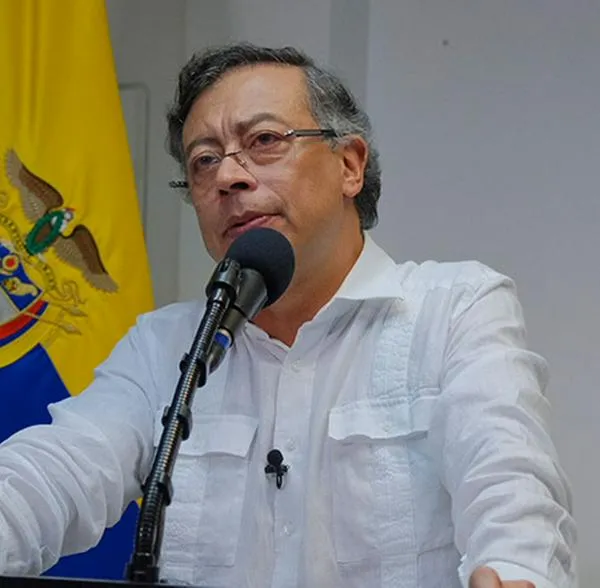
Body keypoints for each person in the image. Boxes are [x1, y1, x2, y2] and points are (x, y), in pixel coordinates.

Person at [0, 43, 577, 588]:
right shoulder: (165, 346)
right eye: (204, 161)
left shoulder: (453, 310)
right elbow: (55, 472)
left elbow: (509, 487)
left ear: (349, 165)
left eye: (265, 140)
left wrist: (512, 568)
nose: (228, 177)